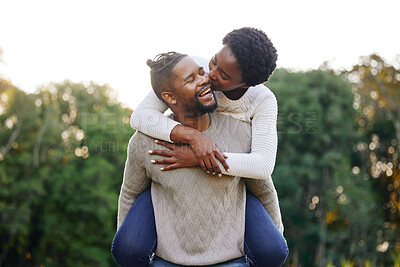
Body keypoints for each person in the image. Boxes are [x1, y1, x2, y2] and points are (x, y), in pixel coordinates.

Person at [112, 52, 288, 266]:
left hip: (230, 258)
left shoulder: (246, 126)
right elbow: (130, 194)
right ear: (169, 98)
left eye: (201, 74)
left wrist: (275, 238)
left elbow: (264, 188)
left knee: (275, 250)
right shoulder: (144, 142)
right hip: (168, 259)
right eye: (191, 78)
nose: (207, 79)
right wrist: (194, 138)